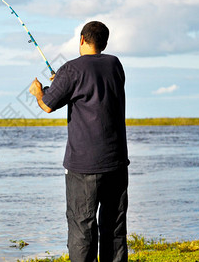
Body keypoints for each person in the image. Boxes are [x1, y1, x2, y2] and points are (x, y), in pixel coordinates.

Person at [29, 21, 130, 262]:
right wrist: (62, 80)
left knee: (82, 227)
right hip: (116, 162)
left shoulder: (71, 69)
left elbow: (47, 105)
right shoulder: (115, 65)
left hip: (84, 166)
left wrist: (38, 91)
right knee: (114, 228)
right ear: (104, 43)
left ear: (82, 40)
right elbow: (91, 84)